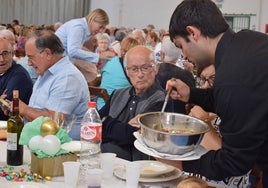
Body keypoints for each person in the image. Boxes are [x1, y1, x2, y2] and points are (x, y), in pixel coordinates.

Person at [159, 0, 268, 187]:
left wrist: (179, 162)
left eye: (180, 45)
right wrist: (191, 94)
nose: (184, 55)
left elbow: (234, 162)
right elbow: (236, 102)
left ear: (193, 33)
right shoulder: (246, 41)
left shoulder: (233, 75)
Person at [99, 45, 173, 161]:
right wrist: (123, 129)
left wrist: (108, 124)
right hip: (105, 159)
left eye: (145, 68)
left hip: (137, 166)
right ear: (127, 72)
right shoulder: (118, 93)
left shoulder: (162, 100)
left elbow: (132, 136)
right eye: (134, 69)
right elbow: (95, 124)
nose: (140, 74)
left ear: (156, 68)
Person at [19, 29, 89, 140]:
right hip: (41, 142)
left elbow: (53, 122)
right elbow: (38, 110)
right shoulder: (47, 72)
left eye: (31, 57)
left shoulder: (67, 77)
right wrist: (18, 110)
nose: (29, 63)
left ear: (47, 53)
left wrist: (24, 110)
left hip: (63, 149)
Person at [97, 37, 139, 109]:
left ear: (121, 49)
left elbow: (102, 75)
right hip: (117, 108)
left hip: (101, 105)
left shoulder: (110, 61)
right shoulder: (133, 65)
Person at [0, 38, 33, 120]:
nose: (1, 59)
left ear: (12, 53)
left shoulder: (19, 76)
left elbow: (4, 110)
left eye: (5, 53)